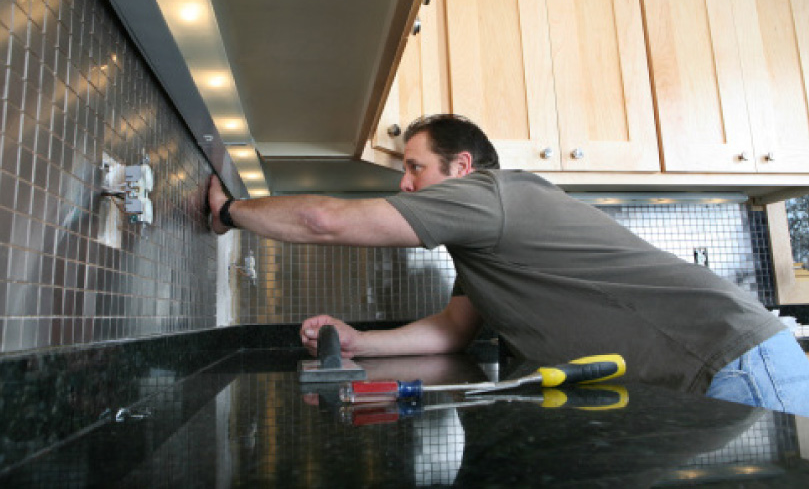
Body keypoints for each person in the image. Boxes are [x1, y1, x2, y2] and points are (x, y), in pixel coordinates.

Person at [208, 114, 809, 416]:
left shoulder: (492, 197)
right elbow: (453, 329)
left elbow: (326, 221)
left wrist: (230, 210)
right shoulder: (483, 240)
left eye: (415, 166)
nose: (404, 183)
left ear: (462, 168)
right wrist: (360, 341)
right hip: (730, 365)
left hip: (737, 360)